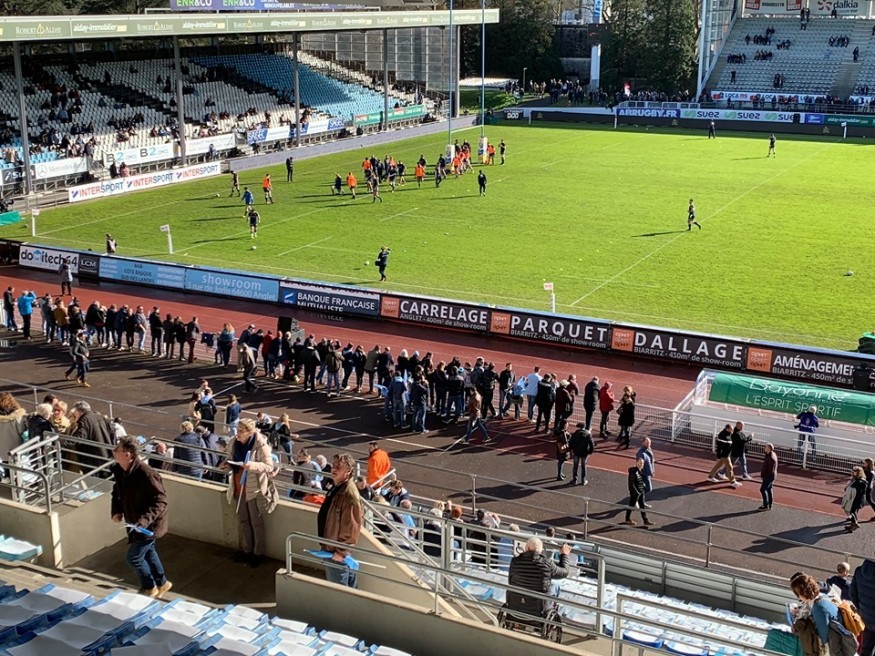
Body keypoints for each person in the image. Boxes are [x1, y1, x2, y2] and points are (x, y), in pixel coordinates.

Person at [110, 436, 171, 597]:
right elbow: (117, 492)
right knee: (149, 552)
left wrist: (142, 522)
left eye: (117, 449)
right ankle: (162, 583)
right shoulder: (120, 470)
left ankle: (149, 587)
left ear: (127, 455)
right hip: (136, 522)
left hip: (149, 526)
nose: (113, 451)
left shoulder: (146, 473)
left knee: (134, 558)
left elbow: (160, 501)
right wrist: (116, 511)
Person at [222, 418, 277, 568]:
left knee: (256, 523)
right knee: (244, 521)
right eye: (237, 430)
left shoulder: (261, 445)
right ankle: (247, 550)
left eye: (241, 431)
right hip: (238, 487)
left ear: (250, 432)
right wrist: (226, 464)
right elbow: (229, 458)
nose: (237, 433)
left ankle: (258, 553)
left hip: (254, 489)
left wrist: (251, 465)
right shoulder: (233, 442)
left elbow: (269, 466)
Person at [317, 453, 363, 588]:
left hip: (336, 552)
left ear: (348, 471)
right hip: (331, 547)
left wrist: (341, 552)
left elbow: (352, 526)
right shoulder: (337, 487)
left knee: (339, 589)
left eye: (339, 467)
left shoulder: (349, 494)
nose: (334, 469)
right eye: (333, 465)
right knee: (348, 587)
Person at [508, 536, 571, 617]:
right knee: (556, 587)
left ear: (527, 547)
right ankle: (554, 610)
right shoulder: (547, 564)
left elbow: (510, 581)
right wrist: (564, 555)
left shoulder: (515, 561)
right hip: (538, 609)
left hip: (516, 604)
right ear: (541, 550)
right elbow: (564, 572)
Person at [789, 573, 842, 652]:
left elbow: (824, 639)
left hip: (834, 647)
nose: (799, 598)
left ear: (803, 593)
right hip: (837, 642)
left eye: (798, 595)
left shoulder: (819, 607)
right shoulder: (822, 597)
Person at [850, 553, 875, 656]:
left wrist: (861, 610)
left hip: (867, 619)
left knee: (865, 649)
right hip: (867, 617)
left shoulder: (860, 571)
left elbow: (852, 594)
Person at [707, 423, 742, 488]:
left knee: (717, 466)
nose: (732, 430)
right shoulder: (723, 436)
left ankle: (710, 476)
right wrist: (718, 456)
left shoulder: (728, 434)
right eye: (731, 429)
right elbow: (719, 447)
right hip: (725, 455)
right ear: (727, 429)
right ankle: (733, 482)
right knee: (730, 467)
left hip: (726, 454)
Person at [623, 457, 654, 527]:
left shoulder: (639, 471)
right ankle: (627, 519)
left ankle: (645, 521)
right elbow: (631, 484)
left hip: (640, 491)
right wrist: (636, 493)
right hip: (636, 493)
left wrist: (642, 487)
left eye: (642, 463)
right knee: (631, 506)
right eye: (640, 463)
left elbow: (639, 481)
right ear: (636, 463)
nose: (641, 465)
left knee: (642, 506)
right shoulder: (633, 472)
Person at [843, 466, 868, 532]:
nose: (853, 472)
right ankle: (852, 525)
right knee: (853, 511)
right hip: (855, 498)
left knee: (852, 511)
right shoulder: (856, 479)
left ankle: (855, 524)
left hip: (857, 499)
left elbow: (861, 491)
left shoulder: (861, 481)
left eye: (855, 471)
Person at [759, 443, 777, 511]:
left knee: (763, 489)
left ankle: (766, 505)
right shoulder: (771, 455)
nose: (764, 448)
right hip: (771, 476)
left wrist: (764, 476)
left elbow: (770, 470)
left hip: (768, 476)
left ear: (769, 449)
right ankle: (769, 504)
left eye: (765, 447)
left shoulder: (770, 458)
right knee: (769, 489)